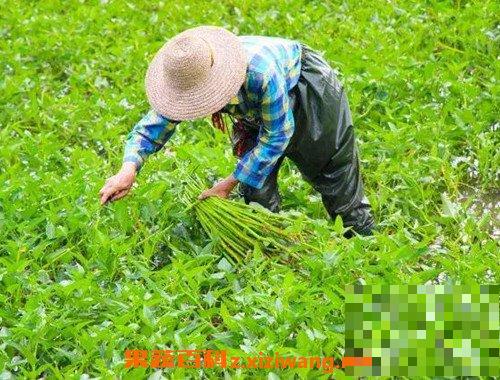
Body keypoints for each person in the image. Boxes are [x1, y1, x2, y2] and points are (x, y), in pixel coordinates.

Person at [99, 26, 375, 236]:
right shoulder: (189, 71)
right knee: (256, 190)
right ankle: (270, 249)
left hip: (308, 90)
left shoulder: (259, 75)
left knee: (333, 172)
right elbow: (153, 126)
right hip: (253, 106)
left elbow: (278, 134)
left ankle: (362, 250)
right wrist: (128, 169)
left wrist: (228, 182)